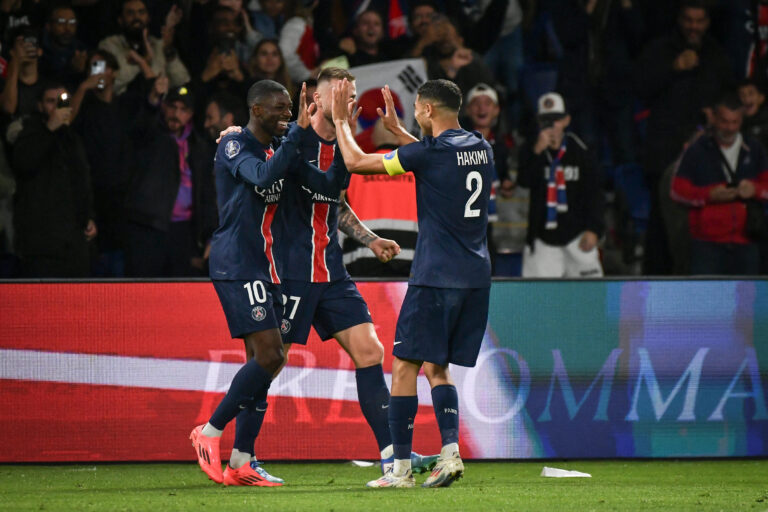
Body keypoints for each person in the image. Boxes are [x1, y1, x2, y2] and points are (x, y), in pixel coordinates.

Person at [331, 78, 493, 488]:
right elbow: (433, 156)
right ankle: (450, 453)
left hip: (435, 276)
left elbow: (355, 163)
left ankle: (399, 471)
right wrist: (401, 133)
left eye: (418, 108)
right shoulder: (481, 147)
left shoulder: (430, 153)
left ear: (426, 111)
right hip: (475, 278)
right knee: (439, 367)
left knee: (404, 365)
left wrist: (340, 123)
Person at [191, 80, 346, 486]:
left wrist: (344, 138)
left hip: (266, 265)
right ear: (256, 110)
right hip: (237, 262)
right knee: (271, 354)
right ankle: (208, 432)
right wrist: (295, 131)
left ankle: (242, 461)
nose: (285, 114)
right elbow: (260, 178)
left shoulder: (282, 150)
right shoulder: (234, 145)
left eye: (289, 108)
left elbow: (329, 188)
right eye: (279, 109)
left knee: (262, 364)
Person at [634, 0, 732, 274]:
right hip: (664, 154)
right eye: (689, 20)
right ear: (680, 19)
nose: (693, 27)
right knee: (661, 230)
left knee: (704, 228)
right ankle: (655, 292)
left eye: (699, 21)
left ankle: (699, 288)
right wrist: (672, 68)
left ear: (708, 22)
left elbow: (728, 96)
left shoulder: (717, 55)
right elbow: (640, 87)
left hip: (706, 157)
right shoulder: (659, 50)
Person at [123, 82, 218, 277]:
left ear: (191, 114)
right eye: (172, 107)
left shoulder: (198, 146)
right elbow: (139, 128)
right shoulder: (150, 136)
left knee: (177, 294)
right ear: (164, 107)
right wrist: (152, 100)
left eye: (183, 109)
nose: (176, 114)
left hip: (183, 232)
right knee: (144, 293)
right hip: (148, 228)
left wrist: (210, 235)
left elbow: (206, 193)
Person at [670, 95, 768, 275]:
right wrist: (709, 195)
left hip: (747, 240)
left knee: (746, 302)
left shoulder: (755, 149)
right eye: (724, 121)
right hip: (707, 244)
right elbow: (676, 191)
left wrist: (756, 190)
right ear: (714, 118)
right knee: (705, 301)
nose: (729, 128)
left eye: (735, 122)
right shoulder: (697, 150)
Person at [11, 82, 97, 277]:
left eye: (62, 101)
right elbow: (23, 163)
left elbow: (82, 180)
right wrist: (49, 128)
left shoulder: (72, 138)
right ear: (40, 106)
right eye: (51, 101)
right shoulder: (28, 130)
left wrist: (88, 217)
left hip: (74, 242)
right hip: (42, 245)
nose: (57, 107)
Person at [518, 92, 604, 278]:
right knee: (539, 301)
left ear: (566, 120)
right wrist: (536, 152)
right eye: (545, 120)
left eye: (556, 119)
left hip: (578, 235)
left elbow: (596, 192)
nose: (551, 125)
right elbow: (523, 182)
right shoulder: (530, 149)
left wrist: (595, 228)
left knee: (590, 298)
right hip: (543, 238)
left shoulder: (581, 150)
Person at [97, 0, 189, 96]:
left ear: (148, 18)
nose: (137, 17)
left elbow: (183, 82)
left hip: (158, 107)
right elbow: (98, 85)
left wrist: (168, 51)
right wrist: (142, 63)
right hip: (120, 108)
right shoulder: (107, 45)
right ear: (120, 20)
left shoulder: (159, 45)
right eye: (130, 13)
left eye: (141, 12)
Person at [39, 5, 89, 89]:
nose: (67, 28)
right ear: (48, 26)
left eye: (72, 22)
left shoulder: (81, 50)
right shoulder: (39, 52)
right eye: (61, 22)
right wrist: (71, 70)